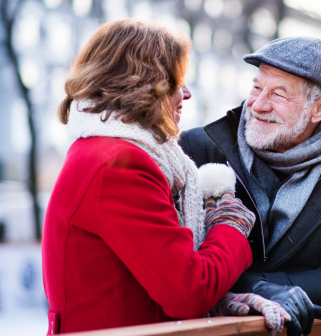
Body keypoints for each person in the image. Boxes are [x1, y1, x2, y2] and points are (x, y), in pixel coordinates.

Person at [42, 19, 262, 334]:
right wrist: (230, 226)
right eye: (177, 80)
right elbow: (189, 292)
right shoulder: (120, 165)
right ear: (146, 85)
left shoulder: (101, 152)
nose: (186, 94)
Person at [179, 36, 321, 336]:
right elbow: (182, 263)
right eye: (257, 87)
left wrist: (257, 284)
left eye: (278, 94)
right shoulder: (199, 148)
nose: (258, 105)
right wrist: (264, 289)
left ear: (320, 108)